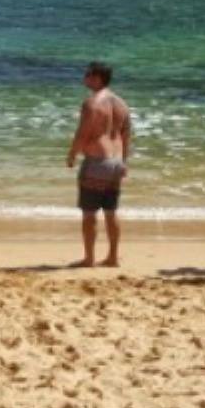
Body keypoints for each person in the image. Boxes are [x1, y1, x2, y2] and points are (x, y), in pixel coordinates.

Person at [67, 61, 132, 269]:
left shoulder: (91, 103)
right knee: (111, 212)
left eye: (88, 74)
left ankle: (89, 258)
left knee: (89, 214)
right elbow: (126, 136)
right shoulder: (122, 104)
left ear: (97, 78)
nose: (84, 77)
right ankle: (113, 257)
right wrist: (124, 162)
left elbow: (82, 133)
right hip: (116, 163)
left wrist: (72, 155)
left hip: (96, 163)